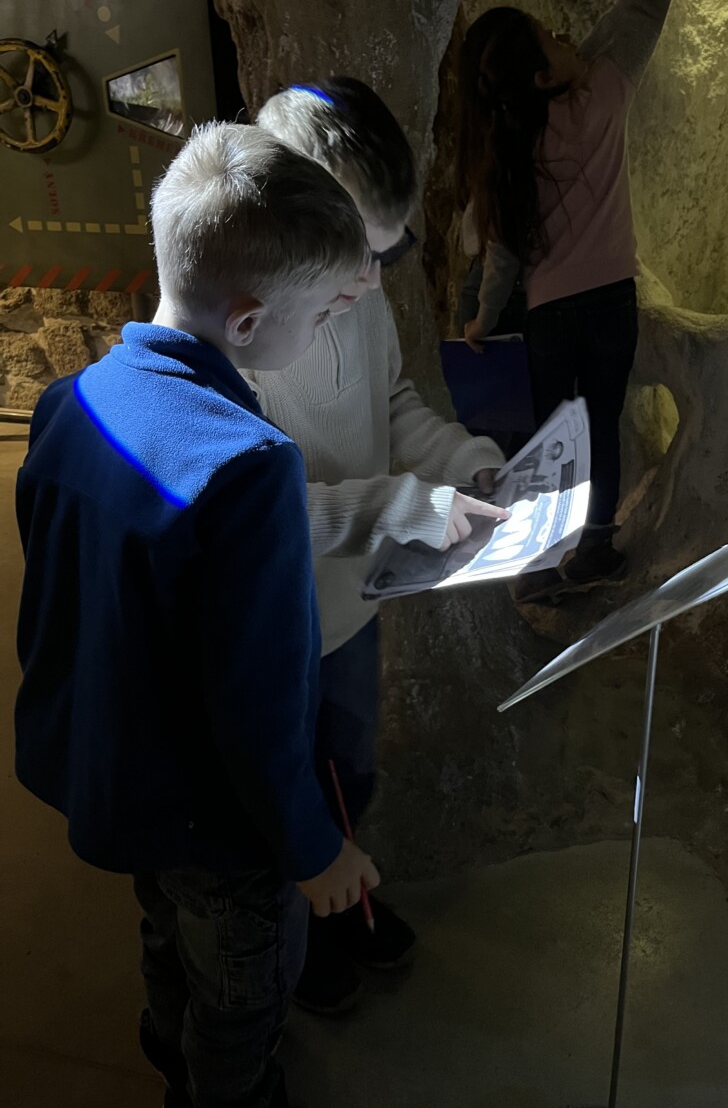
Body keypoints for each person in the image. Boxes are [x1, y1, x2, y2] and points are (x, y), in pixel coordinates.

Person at [14, 122, 377, 1108]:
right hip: (214, 822)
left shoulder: (67, 402)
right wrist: (316, 849)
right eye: (323, 313)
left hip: (114, 778)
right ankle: (220, 1088)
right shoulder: (251, 466)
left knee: (163, 926)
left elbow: (64, 587)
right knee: (245, 984)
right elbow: (261, 708)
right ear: (250, 323)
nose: (327, 329)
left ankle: (164, 1043)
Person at [251, 79, 508, 1014]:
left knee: (350, 770)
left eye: (384, 256)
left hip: (355, 598)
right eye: (357, 252)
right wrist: (409, 507)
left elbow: (392, 401)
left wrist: (469, 460)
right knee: (282, 789)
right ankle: (294, 938)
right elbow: (265, 512)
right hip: (277, 622)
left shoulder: (354, 291)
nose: (369, 281)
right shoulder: (237, 326)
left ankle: (342, 905)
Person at [456, 0, 689, 603]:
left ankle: (532, 563)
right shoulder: (607, 94)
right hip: (612, 302)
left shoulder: (513, 148)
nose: (565, 35)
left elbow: (503, 252)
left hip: (551, 315)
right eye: (548, 35)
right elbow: (642, 12)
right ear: (541, 76)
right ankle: (593, 551)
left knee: (554, 436)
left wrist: (483, 319)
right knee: (602, 423)